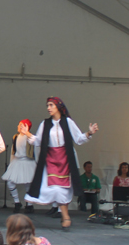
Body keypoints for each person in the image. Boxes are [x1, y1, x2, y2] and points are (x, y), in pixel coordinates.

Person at [20, 97, 98, 231]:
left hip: (65, 158)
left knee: (62, 188)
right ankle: (62, 214)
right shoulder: (45, 124)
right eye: (47, 105)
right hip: (50, 158)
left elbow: (78, 139)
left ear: (58, 106)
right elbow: (38, 141)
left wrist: (89, 133)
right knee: (51, 187)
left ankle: (65, 216)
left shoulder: (68, 122)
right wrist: (27, 134)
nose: (48, 108)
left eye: (51, 105)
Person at [1, 119, 36, 213]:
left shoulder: (30, 137)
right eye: (19, 124)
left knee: (28, 183)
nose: (18, 126)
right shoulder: (15, 137)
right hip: (17, 161)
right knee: (10, 182)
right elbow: (13, 151)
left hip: (28, 162)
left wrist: (27, 133)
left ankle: (29, 204)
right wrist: (11, 163)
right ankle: (17, 202)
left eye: (20, 125)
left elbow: (36, 142)